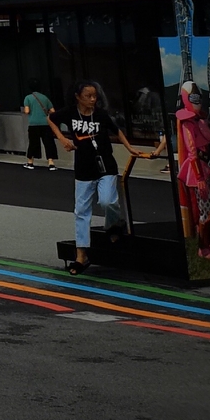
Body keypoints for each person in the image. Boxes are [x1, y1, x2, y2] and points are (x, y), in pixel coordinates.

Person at [53, 80, 165, 274]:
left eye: (95, 96)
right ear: (78, 97)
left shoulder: (101, 115)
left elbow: (117, 131)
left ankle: (114, 224)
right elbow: (51, 119)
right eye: (88, 96)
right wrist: (63, 139)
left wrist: (130, 147)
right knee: (81, 211)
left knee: (107, 201)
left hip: (106, 166)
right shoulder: (70, 112)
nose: (93, 99)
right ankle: (81, 255)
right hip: (83, 169)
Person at [175, 88, 210, 260]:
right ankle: (203, 247)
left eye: (198, 98)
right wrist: (199, 177)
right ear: (187, 99)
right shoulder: (187, 122)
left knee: (208, 208)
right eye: (193, 98)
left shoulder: (198, 119)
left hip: (203, 166)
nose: (197, 101)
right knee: (205, 211)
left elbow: (207, 139)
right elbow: (192, 150)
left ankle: (209, 241)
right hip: (197, 170)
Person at [23, 87, 58, 170]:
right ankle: (51, 163)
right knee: (48, 143)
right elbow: (53, 111)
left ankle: (30, 162)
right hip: (46, 123)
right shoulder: (45, 98)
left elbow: (27, 111)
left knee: (33, 143)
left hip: (33, 124)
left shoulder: (28, 97)